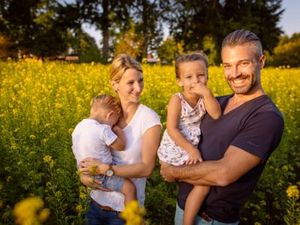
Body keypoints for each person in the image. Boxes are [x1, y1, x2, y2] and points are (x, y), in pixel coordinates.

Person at [160, 29, 284, 225]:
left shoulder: (266, 116)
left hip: (211, 220)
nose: (234, 74)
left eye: (243, 63)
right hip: (182, 208)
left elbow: (224, 173)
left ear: (261, 62)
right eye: (228, 65)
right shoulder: (219, 102)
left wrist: (172, 172)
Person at [78, 54, 161, 225]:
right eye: (130, 82)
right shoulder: (105, 113)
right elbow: (87, 147)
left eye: (141, 80)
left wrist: (106, 169)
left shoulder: (149, 119)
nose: (138, 88)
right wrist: (83, 176)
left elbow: (146, 169)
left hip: (124, 213)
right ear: (115, 84)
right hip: (95, 204)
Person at [157, 52, 221, 225]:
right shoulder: (177, 100)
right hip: (178, 144)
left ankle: (187, 221)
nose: (196, 81)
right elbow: (172, 128)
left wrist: (207, 95)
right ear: (179, 81)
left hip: (192, 145)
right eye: (189, 77)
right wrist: (191, 150)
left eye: (201, 75)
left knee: (203, 184)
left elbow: (216, 114)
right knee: (204, 182)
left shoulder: (205, 98)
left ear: (207, 76)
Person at [72, 94, 136, 207]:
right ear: (109, 115)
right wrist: (119, 132)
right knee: (130, 188)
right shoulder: (103, 130)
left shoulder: (78, 128)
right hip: (102, 174)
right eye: (114, 122)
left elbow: (76, 149)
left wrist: (83, 174)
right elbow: (120, 146)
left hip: (85, 173)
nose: (113, 126)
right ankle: (131, 218)